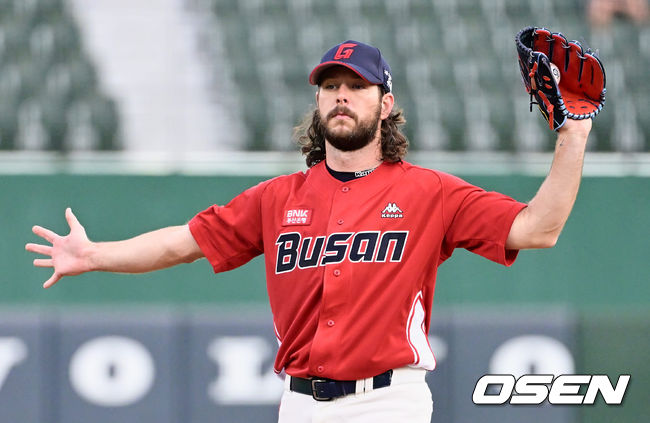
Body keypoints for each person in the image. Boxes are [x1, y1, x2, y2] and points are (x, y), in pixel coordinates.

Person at [26, 40, 593, 422]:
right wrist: (96, 254)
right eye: (329, 86)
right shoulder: (277, 198)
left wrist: (573, 134)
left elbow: (537, 229)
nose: (341, 94)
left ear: (386, 104)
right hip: (299, 406)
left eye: (356, 85)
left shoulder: (429, 193)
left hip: (388, 403)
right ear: (318, 104)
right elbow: (182, 242)